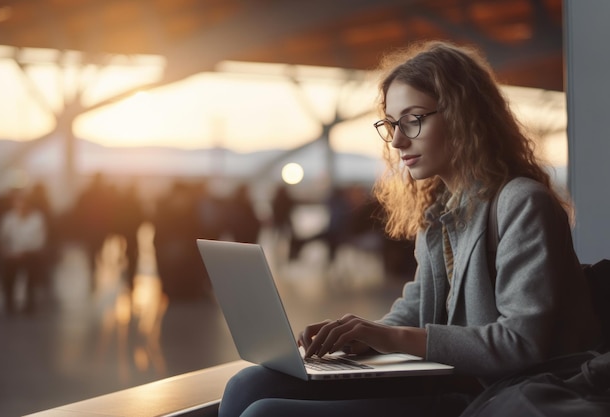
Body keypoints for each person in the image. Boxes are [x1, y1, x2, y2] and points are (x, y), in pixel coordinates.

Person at [217, 40, 603, 417]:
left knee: (264, 410)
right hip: (449, 378)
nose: (398, 140)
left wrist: (387, 337)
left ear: (463, 115)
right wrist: (358, 337)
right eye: (391, 124)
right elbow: (417, 309)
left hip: (495, 392)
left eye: (413, 120)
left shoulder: (522, 203)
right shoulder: (440, 210)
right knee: (247, 385)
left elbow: (520, 343)